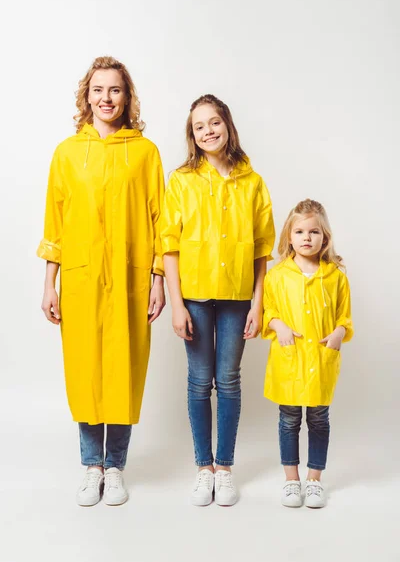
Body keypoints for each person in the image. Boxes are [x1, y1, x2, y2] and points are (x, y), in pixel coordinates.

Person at [37, 56, 165, 506]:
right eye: (98, 90)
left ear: (127, 97)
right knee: (86, 369)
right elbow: (56, 221)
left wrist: (158, 280)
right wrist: (49, 283)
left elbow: (160, 220)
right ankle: (92, 466)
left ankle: (117, 467)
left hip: (130, 280)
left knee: (124, 369)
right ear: (85, 96)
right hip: (81, 279)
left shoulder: (145, 153)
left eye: (115, 90)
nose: (106, 98)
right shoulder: (67, 153)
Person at [161, 94, 275, 506]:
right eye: (199, 126)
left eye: (214, 123)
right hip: (192, 295)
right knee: (198, 380)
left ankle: (224, 467)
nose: (208, 131)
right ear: (192, 135)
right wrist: (175, 303)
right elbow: (169, 246)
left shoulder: (252, 181)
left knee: (227, 381)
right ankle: (203, 468)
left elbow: (263, 249)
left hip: (237, 297)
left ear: (227, 125)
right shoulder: (180, 181)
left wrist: (259, 303)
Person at [262, 198, 353, 508]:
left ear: (324, 236)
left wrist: (339, 333)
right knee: (288, 420)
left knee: (318, 419)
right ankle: (291, 480)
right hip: (289, 360)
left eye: (314, 232)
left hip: (320, 360)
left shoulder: (335, 276)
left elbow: (345, 316)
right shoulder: (277, 275)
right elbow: (267, 309)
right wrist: (279, 325)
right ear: (289, 236)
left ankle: (314, 480)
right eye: (299, 232)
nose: (306, 238)